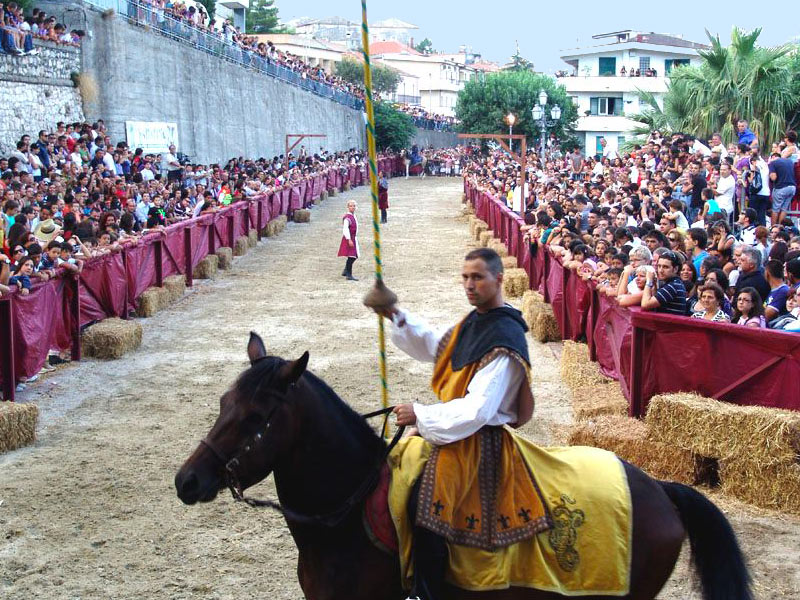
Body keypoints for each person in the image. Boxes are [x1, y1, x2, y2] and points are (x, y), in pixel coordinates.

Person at [375, 248, 540, 600]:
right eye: (465, 277)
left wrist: (420, 414)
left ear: (499, 279)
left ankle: (425, 592)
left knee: (426, 496)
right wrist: (397, 317)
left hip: (479, 443)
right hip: (459, 431)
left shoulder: (505, 339)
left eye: (477, 277)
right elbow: (439, 346)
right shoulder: (476, 321)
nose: (469, 284)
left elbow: (478, 410)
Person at [641, 250, 687, 315]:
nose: (660, 270)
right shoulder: (674, 283)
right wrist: (654, 284)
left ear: (675, 269)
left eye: (665, 267)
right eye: (659, 266)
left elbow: (645, 304)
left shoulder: (673, 286)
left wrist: (649, 281)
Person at [768, 153, 797, 226]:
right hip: (792, 188)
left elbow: (773, 177)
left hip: (781, 188)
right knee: (784, 209)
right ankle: (781, 227)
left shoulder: (773, 163)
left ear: (773, 157)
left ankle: (773, 228)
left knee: (775, 209)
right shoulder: (789, 161)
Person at [338, 200, 359, 281]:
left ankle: (346, 270)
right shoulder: (347, 218)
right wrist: (349, 239)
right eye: (350, 206)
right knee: (352, 256)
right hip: (349, 238)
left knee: (354, 255)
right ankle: (348, 274)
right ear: (348, 207)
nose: (352, 207)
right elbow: (345, 229)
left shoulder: (353, 216)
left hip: (353, 237)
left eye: (353, 206)